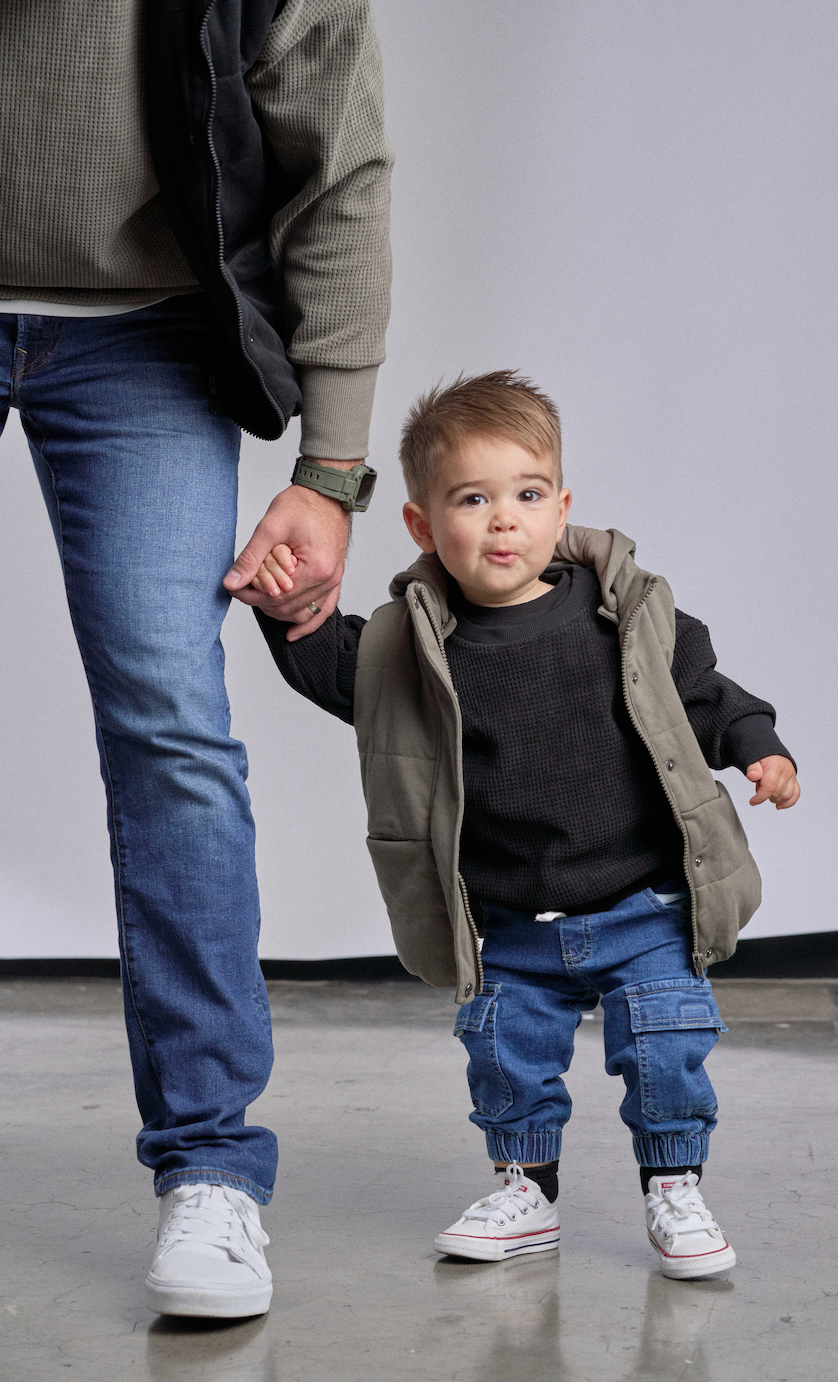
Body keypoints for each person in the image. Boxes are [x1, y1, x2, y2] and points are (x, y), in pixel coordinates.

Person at [0, 1, 392, 1318]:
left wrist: (331, 468)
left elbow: (335, 159)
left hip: (148, 329)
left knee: (170, 716)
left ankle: (212, 1168)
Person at [256, 370, 801, 1279]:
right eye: (474, 499)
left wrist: (759, 748)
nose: (504, 519)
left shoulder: (621, 617)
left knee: (667, 1045)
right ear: (426, 526)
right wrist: (290, 612)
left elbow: (706, 694)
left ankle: (675, 1186)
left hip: (642, 903)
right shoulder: (413, 646)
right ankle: (525, 1192)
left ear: (561, 510)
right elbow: (328, 666)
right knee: (506, 1060)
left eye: (527, 495)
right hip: (508, 919)